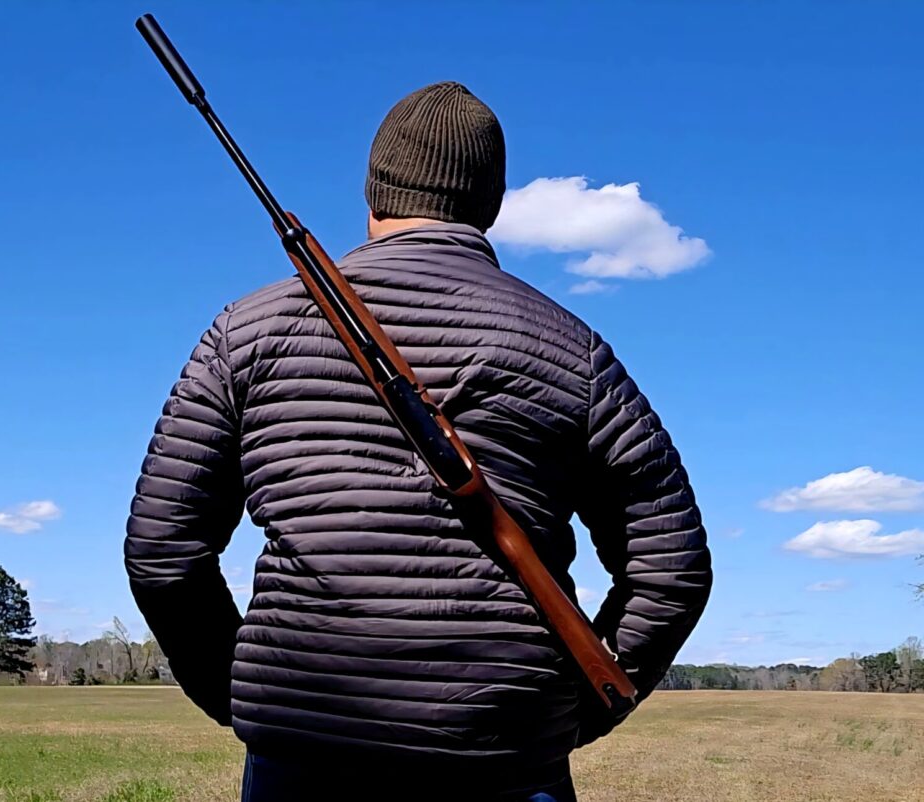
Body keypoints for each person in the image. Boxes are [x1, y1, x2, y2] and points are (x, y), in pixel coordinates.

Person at [125, 81, 712, 802]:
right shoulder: (574, 351)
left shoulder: (244, 331)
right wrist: (569, 710)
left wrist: (250, 698)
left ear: (371, 195)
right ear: (491, 207)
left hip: (301, 762)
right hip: (509, 761)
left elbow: (162, 551)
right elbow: (672, 569)